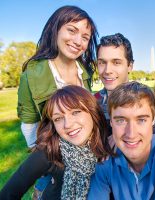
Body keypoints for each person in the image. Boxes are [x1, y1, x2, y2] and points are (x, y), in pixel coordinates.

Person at [0, 85, 112, 199]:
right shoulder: (49, 151)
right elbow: (7, 195)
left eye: (75, 112)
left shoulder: (112, 139)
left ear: (92, 111)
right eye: (58, 118)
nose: (68, 124)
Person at [18, 5, 98, 148]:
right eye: (72, 30)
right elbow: (29, 123)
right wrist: (44, 156)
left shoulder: (85, 72)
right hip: (56, 156)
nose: (78, 41)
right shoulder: (31, 75)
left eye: (85, 37)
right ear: (56, 30)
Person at [94, 33, 155, 134]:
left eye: (116, 62)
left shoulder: (148, 100)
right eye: (102, 62)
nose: (107, 70)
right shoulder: (92, 104)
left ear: (130, 66)